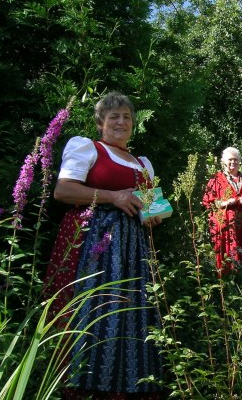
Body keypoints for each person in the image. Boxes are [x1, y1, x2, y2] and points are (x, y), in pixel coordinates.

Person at [43, 92, 163, 398]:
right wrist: (114, 196)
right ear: (101, 123)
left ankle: (122, 388)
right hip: (92, 243)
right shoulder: (88, 148)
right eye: (114, 117)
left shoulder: (143, 163)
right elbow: (63, 190)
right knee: (90, 309)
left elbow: (151, 209)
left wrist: (153, 216)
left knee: (127, 314)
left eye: (126, 116)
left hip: (132, 251)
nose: (121, 122)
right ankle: (79, 387)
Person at [202, 147, 242, 272]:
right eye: (230, 160)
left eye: (235, 160)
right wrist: (226, 202)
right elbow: (208, 203)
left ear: (239, 162)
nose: (233, 162)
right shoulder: (216, 180)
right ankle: (227, 281)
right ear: (223, 161)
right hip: (225, 222)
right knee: (226, 253)